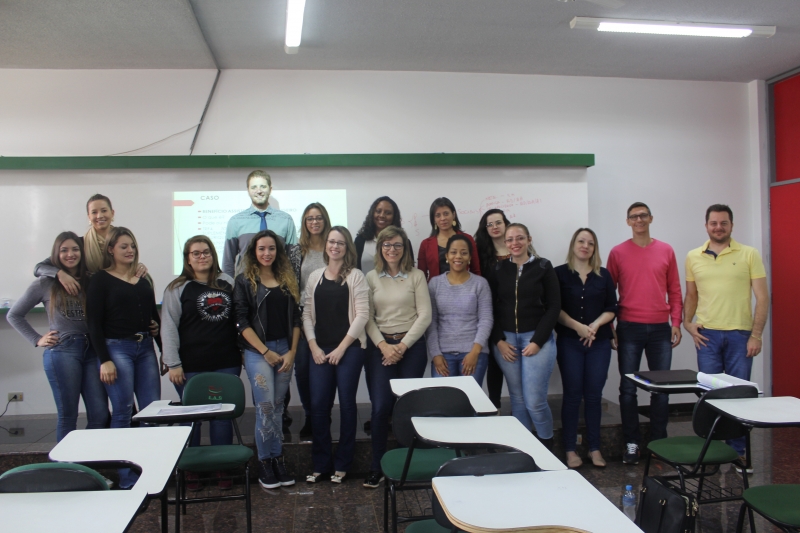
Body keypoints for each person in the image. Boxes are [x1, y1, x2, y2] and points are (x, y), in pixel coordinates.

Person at [683, 204, 768, 467]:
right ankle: (712, 450)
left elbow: (763, 297)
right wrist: (687, 323)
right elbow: (692, 295)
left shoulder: (749, 254)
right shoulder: (693, 256)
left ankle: (738, 451)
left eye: (723, 223)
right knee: (708, 396)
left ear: (731, 225)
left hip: (740, 336)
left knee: (739, 396)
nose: (718, 227)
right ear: (706, 225)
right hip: (707, 336)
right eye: (714, 223)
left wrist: (756, 335)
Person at [7, 232, 108, 442]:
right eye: (64, 250)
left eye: (75, 249)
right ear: (56, 254)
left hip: (93, 351)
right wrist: (37, 339)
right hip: (63, 351)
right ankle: (66, 461)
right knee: (68, 415)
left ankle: (89, 458)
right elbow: (14, 315)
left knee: (100, 414)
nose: (70, 254)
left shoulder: (91, 280)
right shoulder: (44, 283)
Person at [161, 236, 242, 490]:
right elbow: (168, 327)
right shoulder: (177, 288)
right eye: (195, 253)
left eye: (206, 252)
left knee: (221, 417)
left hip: (226, 362)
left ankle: (222, 466)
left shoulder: (227, 283)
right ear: (188, 259)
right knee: (191, 418)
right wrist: (173, 363)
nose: (201, 256)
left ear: (213, 254)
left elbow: (239, 320)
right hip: (190, 366)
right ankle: (191, 470)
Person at [607, 202, 682, 465]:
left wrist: (676, 322)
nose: (639, 220)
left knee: (660, 389)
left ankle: (659, 442)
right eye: (634, 217)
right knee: (628, 389)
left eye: (643, 215)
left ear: (651, 218)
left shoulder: (666, 250)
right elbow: (608, 294)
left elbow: (674, 290)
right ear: (628, 221)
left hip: (661, 329)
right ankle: (632, 443)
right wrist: (611, 328)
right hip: (629, 327)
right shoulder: (617, 253)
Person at [85, 227, 161, 489]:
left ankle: (150, 472)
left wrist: (163, 349)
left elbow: (153, 317)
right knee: (123, 412)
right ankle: (128, 479)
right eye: (123, 246)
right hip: (116, 349)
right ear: (110, 250)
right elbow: (93, 324)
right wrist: (104, 359)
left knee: (152, 412)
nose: (130, 250)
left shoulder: (143, 277)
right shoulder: (100, 280)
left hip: (145, 348)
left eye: (132, 246)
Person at [363, 226, 432, 489]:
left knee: (407, 407)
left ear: (405, 248)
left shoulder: (416, 276)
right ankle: (377, 466)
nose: (392, 250)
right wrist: (384, 346)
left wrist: (402, 347)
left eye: (397, 245)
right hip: (380, 348)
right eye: (387, 245)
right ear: (380, 248)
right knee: (380, 407)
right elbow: (367, 317)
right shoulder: (371, 277)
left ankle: (407, 465)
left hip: (411, 347)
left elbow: (425, 315)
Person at [233, 229, 300, 490]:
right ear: (253, 251)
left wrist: (292, 351)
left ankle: (277, 458)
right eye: (261, 248)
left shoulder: (286, 278)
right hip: (257, 351)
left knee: (279, 406)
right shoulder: (244, 281)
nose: (267, 253)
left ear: (278, 251)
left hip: (285, 349)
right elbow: (241, 322)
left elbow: (295, 318)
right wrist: (264, 351)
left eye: (271, 248)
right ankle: (265, 461)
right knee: (266, 407)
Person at [302, 226, 369, 484]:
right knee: (319, 406)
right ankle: (321, 465)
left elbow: (362, 315)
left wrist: (341, 348)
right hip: (320, 349)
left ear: (347, 247)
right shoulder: (315, 276)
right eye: (331, 242)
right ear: (326, 245)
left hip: (349, 349)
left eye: (340, 243)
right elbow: (306, 314)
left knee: (347, 405)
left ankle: (342, 464)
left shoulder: (356, 276)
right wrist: (313, 346)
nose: (335, 246)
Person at [489, 223, 560, 450]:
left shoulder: (543, 266)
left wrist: (537, 341)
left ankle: (547, 449)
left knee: (535, 401)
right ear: (505, 243)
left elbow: (554, 306)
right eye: (510, 239)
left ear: (529, 239)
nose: (515, 243)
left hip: (536, 340)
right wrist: (499, 340)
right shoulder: (498, 269)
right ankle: (525, 451)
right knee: (518, 400)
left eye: (520, 238)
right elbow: (490, 308)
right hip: (507, 341)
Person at [555, 228, 617, 469]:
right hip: (570, 342)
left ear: (594, 248)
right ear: (573, 244)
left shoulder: (604, 275)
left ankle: (595, 448)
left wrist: (595, 325)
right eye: (581, 241)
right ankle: (570, 450)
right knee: (572, 396)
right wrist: (578, 327)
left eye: (590, 243)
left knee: (593, 396)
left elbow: (612, 308)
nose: (585, 246)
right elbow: (555, 309)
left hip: (598, 343)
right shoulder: (559, 273)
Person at [34, 194, 147, 294]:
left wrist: (137, 266)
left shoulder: (123, 242)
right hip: (91, 298)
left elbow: (126, 265)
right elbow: (39, 268)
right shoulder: (80, 245)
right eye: (94, 212)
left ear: (112, 213)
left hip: (121, 296)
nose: (99, 216)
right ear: (89, 217)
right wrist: (59, 274)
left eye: (104, 210)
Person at [427, 234, 493, 383]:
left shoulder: (480, 284)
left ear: (469, 257)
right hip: (443, 354)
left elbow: (486, 320)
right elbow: (431, 322)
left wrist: (475, 352)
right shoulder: (434, 284)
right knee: (444, 396)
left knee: (468, 397)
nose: (458, 256)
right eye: (453, 252)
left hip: (473, 352)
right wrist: (435, 354)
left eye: (464, 253)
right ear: (447, 256)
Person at [296, 202, 332, 440]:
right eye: (310, 218)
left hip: (330, 317)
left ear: (325, 220)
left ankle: (324, 414)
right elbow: (292, 285)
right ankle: (310, 414)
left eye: (318, 217)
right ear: (304, 223)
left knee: (324, 370)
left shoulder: (333, 246)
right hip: (303, 316)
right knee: (302, 369)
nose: (314, 222)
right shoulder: (297, 251)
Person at [223, 170, 298, 278]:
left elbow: (294, 259)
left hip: (278, 283)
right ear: (248, 190)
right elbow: (228, 262)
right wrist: (227, 285)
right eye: (254, 187)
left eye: (263, 186)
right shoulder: (235, 221)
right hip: (245, 284)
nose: (259, 191)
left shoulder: (286, 220)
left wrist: (293, 284)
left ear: (270, 189)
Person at [474, 209, 512, 409]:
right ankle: (494, 407)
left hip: (516, 316)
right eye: (490, 224)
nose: (495, 227)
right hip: (490, 316)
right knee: (494, 366)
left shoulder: (519, 248)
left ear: (506, 224)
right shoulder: (481, 255)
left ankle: (519, 412)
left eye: (498, 222)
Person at [417, 197, 480, 280]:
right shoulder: (425, 244)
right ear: (434, 219)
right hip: (435, 287)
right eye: (438, 215)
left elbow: (475, 270)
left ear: (453, 215)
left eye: (446, 214)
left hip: (464, 286)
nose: (443, 218)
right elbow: (421, 276)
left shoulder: (467, 239)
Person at [354, 196, 404, 272]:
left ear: (394, 216)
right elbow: (354, 267)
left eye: (388, 213)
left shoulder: (402, 241)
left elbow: (408, 268)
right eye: (378, 211)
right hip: (364, 280)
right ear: (372, 213)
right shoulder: (360, 241)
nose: (382, 215)